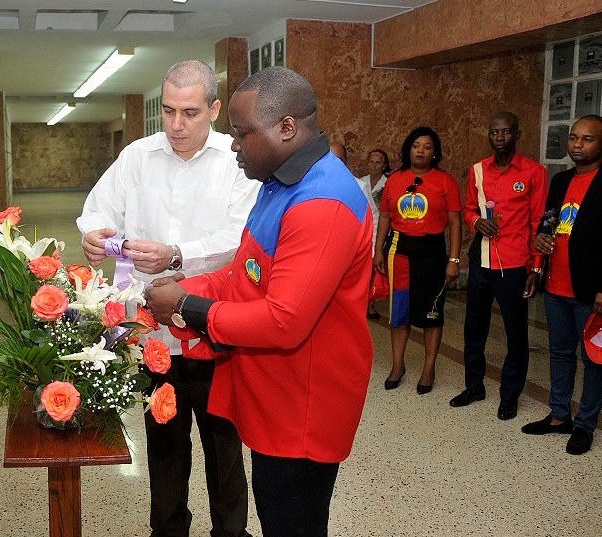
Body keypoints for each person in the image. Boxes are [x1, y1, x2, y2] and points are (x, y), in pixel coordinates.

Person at [145, 67, 374, 537]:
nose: (233, 145)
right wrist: (186, 290)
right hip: (274, 397)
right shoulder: (280, 185)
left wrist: (186, 307)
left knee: (291, 522)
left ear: (286, 128)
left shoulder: (321, 201)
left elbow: (283, 320)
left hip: (302, 409)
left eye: (242, 133)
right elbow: (244, 275)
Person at [77, 60, 259, 537]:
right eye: (169, 111)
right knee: (164, 445)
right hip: (152, 334)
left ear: (215, 109)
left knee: (223, 448)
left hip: (212, 327)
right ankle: (168, 530)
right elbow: (97, 208)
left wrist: (176, 254)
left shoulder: (236, 160)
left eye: (191, 113)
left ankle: (230, 532)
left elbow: (240, 236)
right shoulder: (138, 155)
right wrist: (94, 235)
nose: (177, 125)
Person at [449, 111, 548, 420]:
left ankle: (510, 394)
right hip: (481, 261)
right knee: (473, 328)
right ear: (489, 135)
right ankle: (474, 385)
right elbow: (467, 210)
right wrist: (477, 221)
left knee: (515, 332)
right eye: (495, 132)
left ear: (516, 135)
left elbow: (539, 224)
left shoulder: (534, 172)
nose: (500, 137)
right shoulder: (477, 170)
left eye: (506, 132)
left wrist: (537, 268)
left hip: (516, 265)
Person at [521, 114, 602, 455]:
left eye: (587, 139)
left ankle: (584, 424)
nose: (577, 145)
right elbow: (548, 225)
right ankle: (558, 416)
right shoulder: (560, 180)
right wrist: (539, 245)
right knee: (560, 352)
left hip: (590, 292)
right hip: (556, 287)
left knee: (594, 360)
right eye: (573, 138)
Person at [373, 127, 462, 395]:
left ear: (435, 153)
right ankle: (398, 365)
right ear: (408, 149)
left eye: (427, 146)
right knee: (399, 313)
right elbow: (386, 218)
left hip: (433, 253)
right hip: (399, 251)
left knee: (431, 313)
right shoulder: (394, 180)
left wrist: (454, 259)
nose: (420, 150)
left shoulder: (445, 181)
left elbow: (456, 223)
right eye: (416, 145)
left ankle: (428, 368)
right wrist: (378, 251)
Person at [360, 149, 391, 318]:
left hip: (380, 229)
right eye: (371, 162)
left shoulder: (388, 184)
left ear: (384, 165)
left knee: (374, 268)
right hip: (364, 228)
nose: (374, 166)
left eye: (378, 162)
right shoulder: (361, 182)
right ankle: (360, 302)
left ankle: (370, 304)